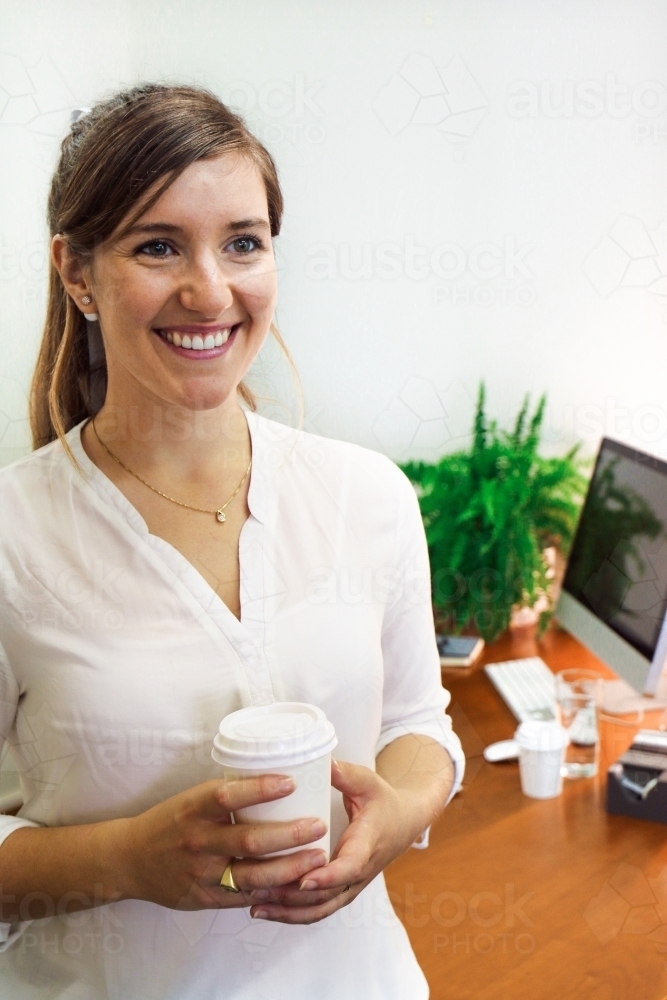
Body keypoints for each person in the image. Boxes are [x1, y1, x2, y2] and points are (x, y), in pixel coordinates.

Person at [0, 83, 464, 998]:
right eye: (157, 245)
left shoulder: (365, 493)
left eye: (242, 243)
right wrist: (126, 862)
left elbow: (417, 725)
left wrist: (394, 813)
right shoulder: (14, 534)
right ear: (76, 271)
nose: (210, 291)